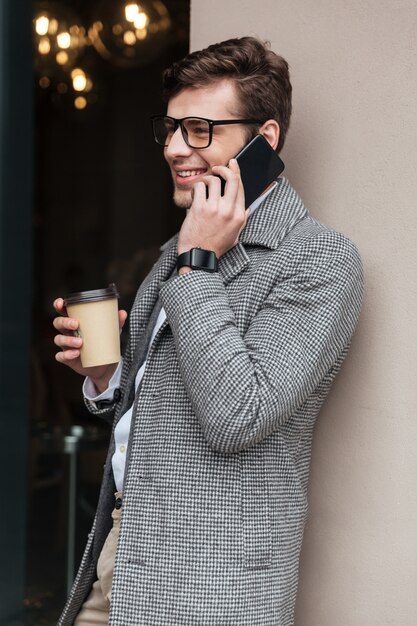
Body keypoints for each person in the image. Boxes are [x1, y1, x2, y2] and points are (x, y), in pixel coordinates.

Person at [53, 36, 363, 626]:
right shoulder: (176, 249)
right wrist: (106, 378)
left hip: (210, 589)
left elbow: (239, 416)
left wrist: (197, 266)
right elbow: (155, 420)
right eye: (170, 128)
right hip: (120, 562)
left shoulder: (319, 260)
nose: (174, 148)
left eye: (199, 130)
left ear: (263, 141)